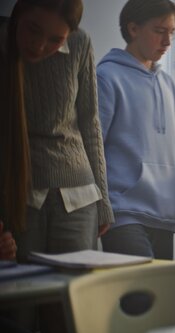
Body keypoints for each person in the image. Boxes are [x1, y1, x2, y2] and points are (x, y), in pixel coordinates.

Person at [0, 0, 114, 262]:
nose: (39, 45)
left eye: (55, 39)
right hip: (19, 193)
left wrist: (103, 200)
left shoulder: (80, 44)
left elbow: (90, 122)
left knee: (75, 296)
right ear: (19, 14)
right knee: (24, 294)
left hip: (79, 195)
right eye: (33, 30)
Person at [97, 0, 175, 259]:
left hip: (165, 212)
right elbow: (94, 146)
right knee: (140, 295)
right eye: (160, 31)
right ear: (134, 28)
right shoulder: (107, 77)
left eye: (171, 32)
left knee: (162, 297)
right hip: (123, 213)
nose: (167, 42)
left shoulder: (168, 84)